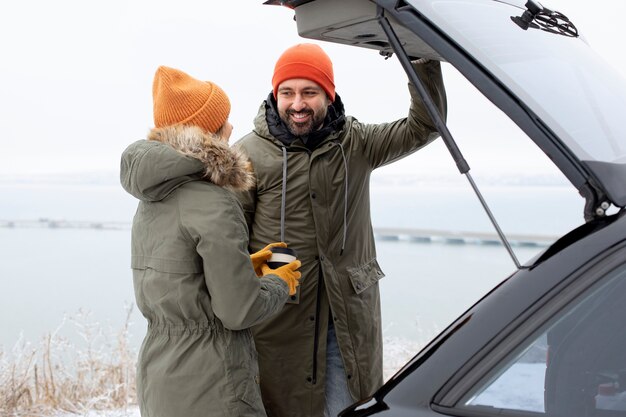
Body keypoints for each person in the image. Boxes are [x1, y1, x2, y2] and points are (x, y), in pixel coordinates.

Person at [233, 43, 447, 417]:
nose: (297, 103)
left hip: (346, 323)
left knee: (349, 410)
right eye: (288, 92)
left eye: (309, 92)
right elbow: (230, 239)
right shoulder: (249, 154)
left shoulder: (357, 143)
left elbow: (426, 125)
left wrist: (420, 60)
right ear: (275, 94)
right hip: (280, 324)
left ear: (328, 95)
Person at [120, 65, 302, 417]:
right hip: (214, 388)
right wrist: (278, 282)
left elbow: (180, 280)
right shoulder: (214, 201)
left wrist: (244, 268)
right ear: (209, 131)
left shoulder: (152, 196)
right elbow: (239, 311)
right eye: (225, 120)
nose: (232, 127)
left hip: (161, 382)